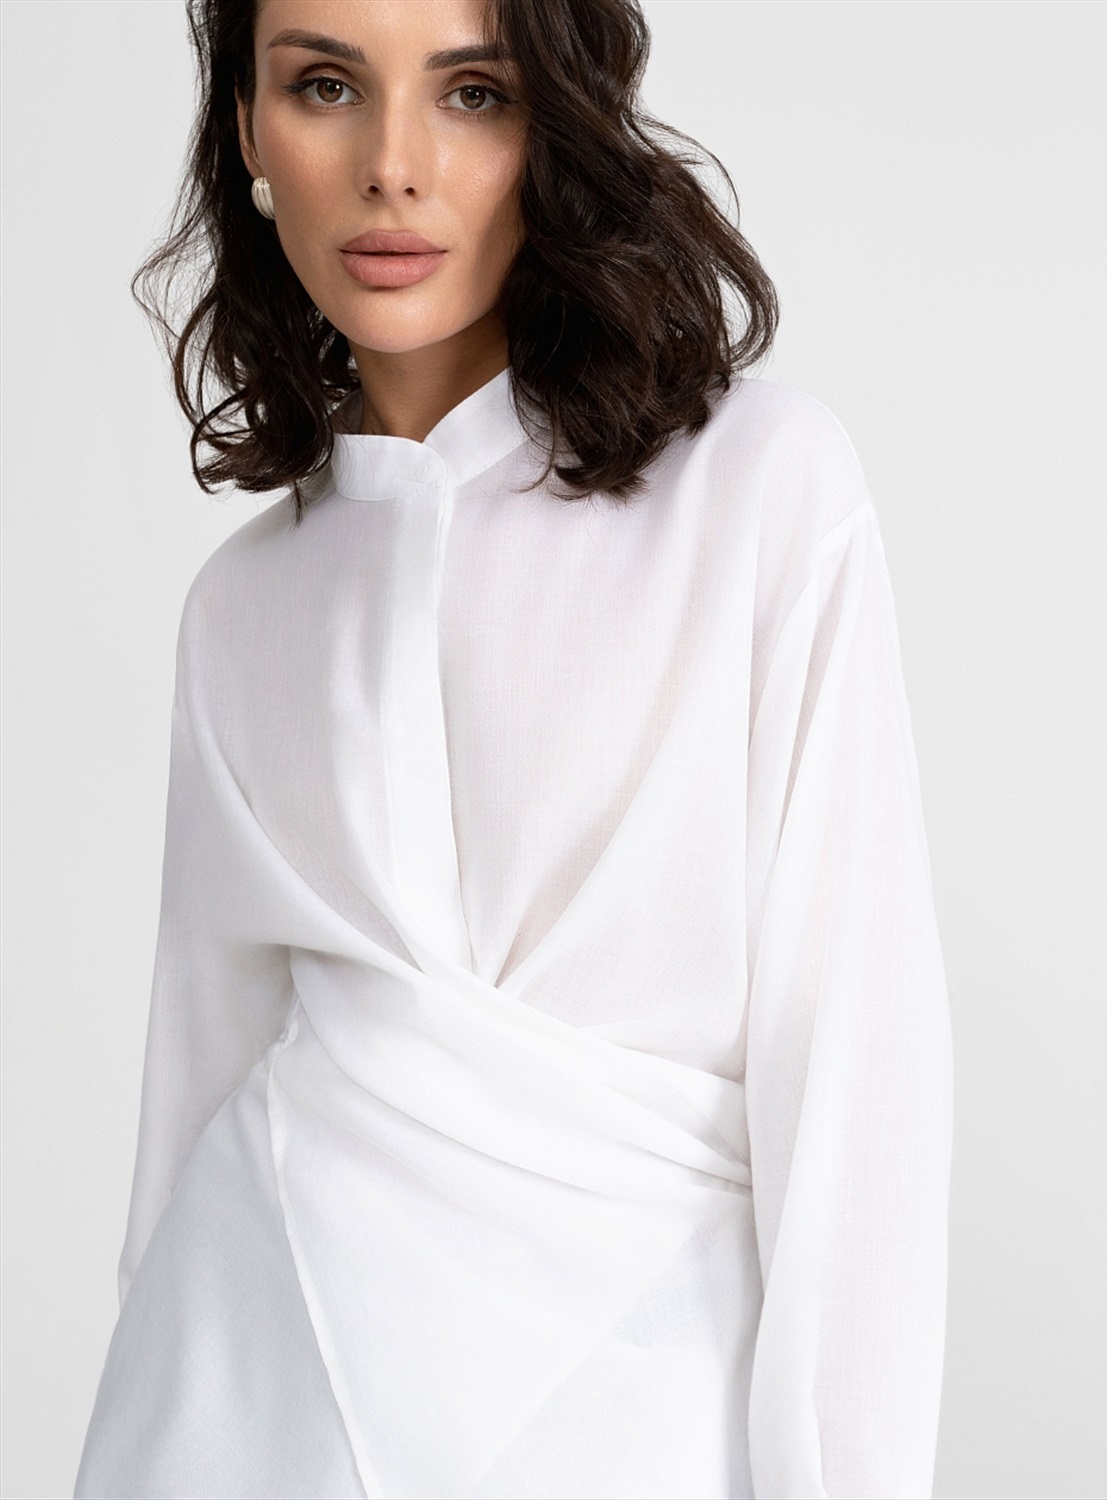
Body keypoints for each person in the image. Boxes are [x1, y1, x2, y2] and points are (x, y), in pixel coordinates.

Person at [73, 0, 953, 1495]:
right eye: (325, 86)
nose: (394, 164)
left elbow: (860, 1088)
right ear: (249, 133)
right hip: (244, 1410)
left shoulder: (759, 489)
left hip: (643, 1432)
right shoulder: (241, 609)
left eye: (471, 91)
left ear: (557, 123)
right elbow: (194, 1097)